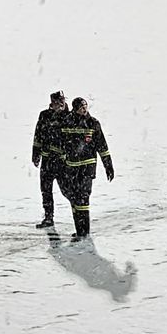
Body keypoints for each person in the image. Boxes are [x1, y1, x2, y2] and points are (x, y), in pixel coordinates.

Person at [59, 97, 113, 241]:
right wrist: (63, 159)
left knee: (83, 198)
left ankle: (85, 232)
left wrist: (108, 166)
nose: (84, 109)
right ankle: (79, 231)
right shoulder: (67, 122)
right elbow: (61, 143)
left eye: (85, 106)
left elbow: (102, 146)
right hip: (71, 168)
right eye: (81, 107)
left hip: (87, 168)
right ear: (75, 108)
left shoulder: (93, 123)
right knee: (74, 199)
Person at [31, 91, 69, 229]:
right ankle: (48, 217)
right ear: (52, 102)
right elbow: (38, 135)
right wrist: (36, 154)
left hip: (62, 161)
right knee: (45, 189)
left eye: (62, 100)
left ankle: (80, 216)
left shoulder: (69, 117)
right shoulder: (44, 115)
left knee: (67, 190)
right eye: (58, 101)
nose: (61, 103)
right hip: (47, 161)